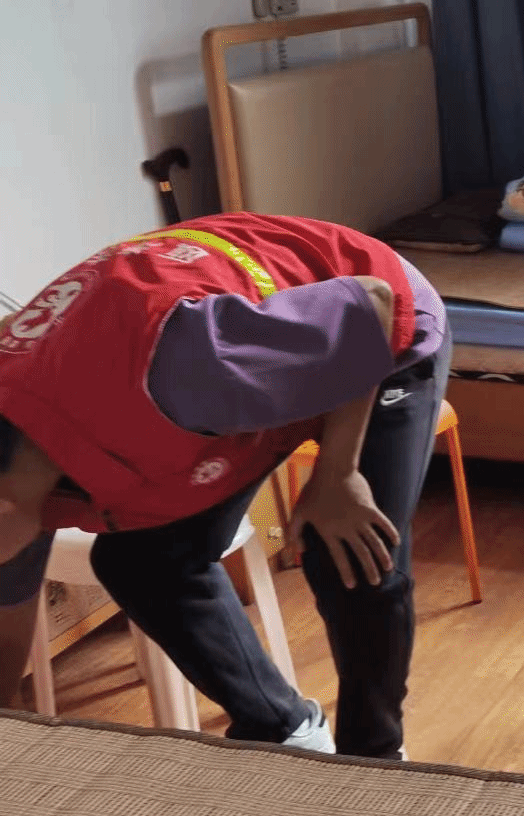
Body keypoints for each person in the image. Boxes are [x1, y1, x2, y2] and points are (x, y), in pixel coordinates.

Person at [0, 213, 450, 760]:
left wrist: (337, 473)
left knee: (349, 551)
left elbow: (367, 307)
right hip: (248, 370)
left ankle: (375, 756)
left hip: (369, 323)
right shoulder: (18, 485)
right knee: (142, 561)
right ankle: (285, 729)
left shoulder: (176, 368)